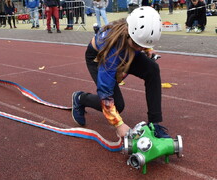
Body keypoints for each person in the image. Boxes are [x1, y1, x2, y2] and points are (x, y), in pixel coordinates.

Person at [71, 6, 171, 138]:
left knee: (152, 68)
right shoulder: (112, 52)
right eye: (138, 45)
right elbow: (105, 91)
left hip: (126, 49)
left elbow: (140, 41)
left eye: (143, 46)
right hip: (98, 57)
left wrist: (147, 49)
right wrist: (118, 124)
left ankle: (154, 123)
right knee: (117, 104)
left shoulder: (133, 30)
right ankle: (80, 98)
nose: (141, 48)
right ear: (129, 33)